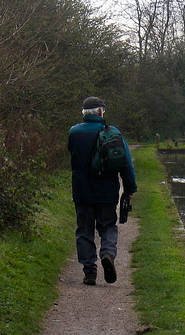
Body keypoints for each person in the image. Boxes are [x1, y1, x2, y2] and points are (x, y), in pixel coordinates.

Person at [68, 96, 137, 285]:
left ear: (84, 113)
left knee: (84, 231)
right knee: (107, 226)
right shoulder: (113, 133)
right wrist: (130, 188)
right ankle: (108, 253)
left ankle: (90, 272)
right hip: (107, 193)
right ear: (100, 112)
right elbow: (126, 164)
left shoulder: (74, 133)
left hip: (82, 192)